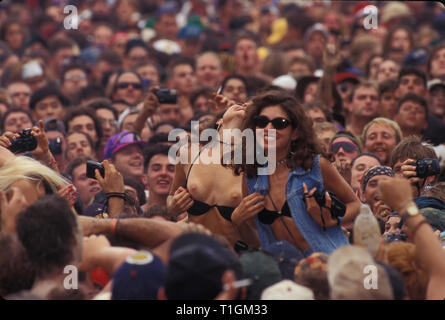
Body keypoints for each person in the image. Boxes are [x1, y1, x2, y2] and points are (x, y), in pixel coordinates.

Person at [230, 89, 361, 255]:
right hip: (283, 269)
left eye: (280, 123)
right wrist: (237, 219)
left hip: (327, 262)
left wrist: (333, 219)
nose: (268, 128)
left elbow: (356, 205)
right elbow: (255, 224)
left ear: (296, 133)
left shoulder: (315, 166)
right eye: (261, 121)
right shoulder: (251, 173)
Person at [167, 97, 261, 248]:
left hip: (235, 256)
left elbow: (262, 237)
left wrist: (240, 220)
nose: (244, 106)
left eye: (251, 109)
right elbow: (171, 196)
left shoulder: (255, 163)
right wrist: (173, 207)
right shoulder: (189, 152)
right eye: (240, 104)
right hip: (193, 251)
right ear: (219, 121)